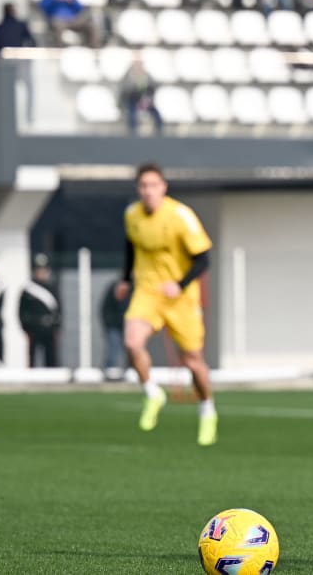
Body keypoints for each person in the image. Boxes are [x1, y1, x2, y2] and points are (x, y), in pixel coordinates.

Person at [118, 162, 217, 446]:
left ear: (163, 187)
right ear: (139, 189)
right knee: (132, 342)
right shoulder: (132, 214)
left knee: (193, 363)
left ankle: (207, 407)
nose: (148, 191)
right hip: (148, 291)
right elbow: (130, 245)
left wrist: (181, 284)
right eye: (143, 186)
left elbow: (204, 258)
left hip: (181, 298)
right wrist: (125, 279)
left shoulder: (180, 216)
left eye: (153, 185)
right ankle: (152, 392)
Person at [18, 253, 61, 368]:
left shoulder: (52, 288)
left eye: (44, 270)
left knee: (51, 359)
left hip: (49, 329)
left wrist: (56, 327)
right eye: (39, 270)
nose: (41, 272)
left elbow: (58, 310)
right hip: (34, 328)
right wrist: (26, 328)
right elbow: (21, 312)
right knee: (32, 359)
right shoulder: (28, 290)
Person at [101, 277, 132, 378]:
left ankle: (132, 373)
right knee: (113, 351)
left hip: (129, 327)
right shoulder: (113, 288)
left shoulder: (135, 290)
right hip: (114, 326)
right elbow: (105, 309)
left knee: (132, 351)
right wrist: (110, 323)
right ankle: (109, 375)